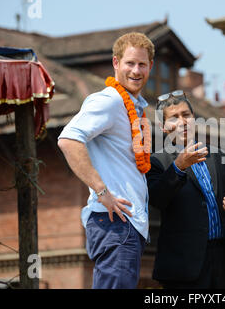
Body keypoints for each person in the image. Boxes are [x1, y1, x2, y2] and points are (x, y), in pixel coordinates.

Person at [57, 32, 154, 289]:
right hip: (115, 224)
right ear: (116, 63)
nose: (136, 70)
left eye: (142, 64)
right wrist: (102, 191)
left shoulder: (136, 108)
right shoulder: (110, 100)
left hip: (127, 227)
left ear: (150, 67)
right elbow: (68, 139)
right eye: (129, 63)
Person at [146, 92, 225, 289]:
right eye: (174, 117)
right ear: (163, 127)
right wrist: (178, 167)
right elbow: (157, 199)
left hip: (222, 259)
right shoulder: (157, 162)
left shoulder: (215, 154)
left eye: (186, 115)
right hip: (184, 265)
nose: (182, 122)